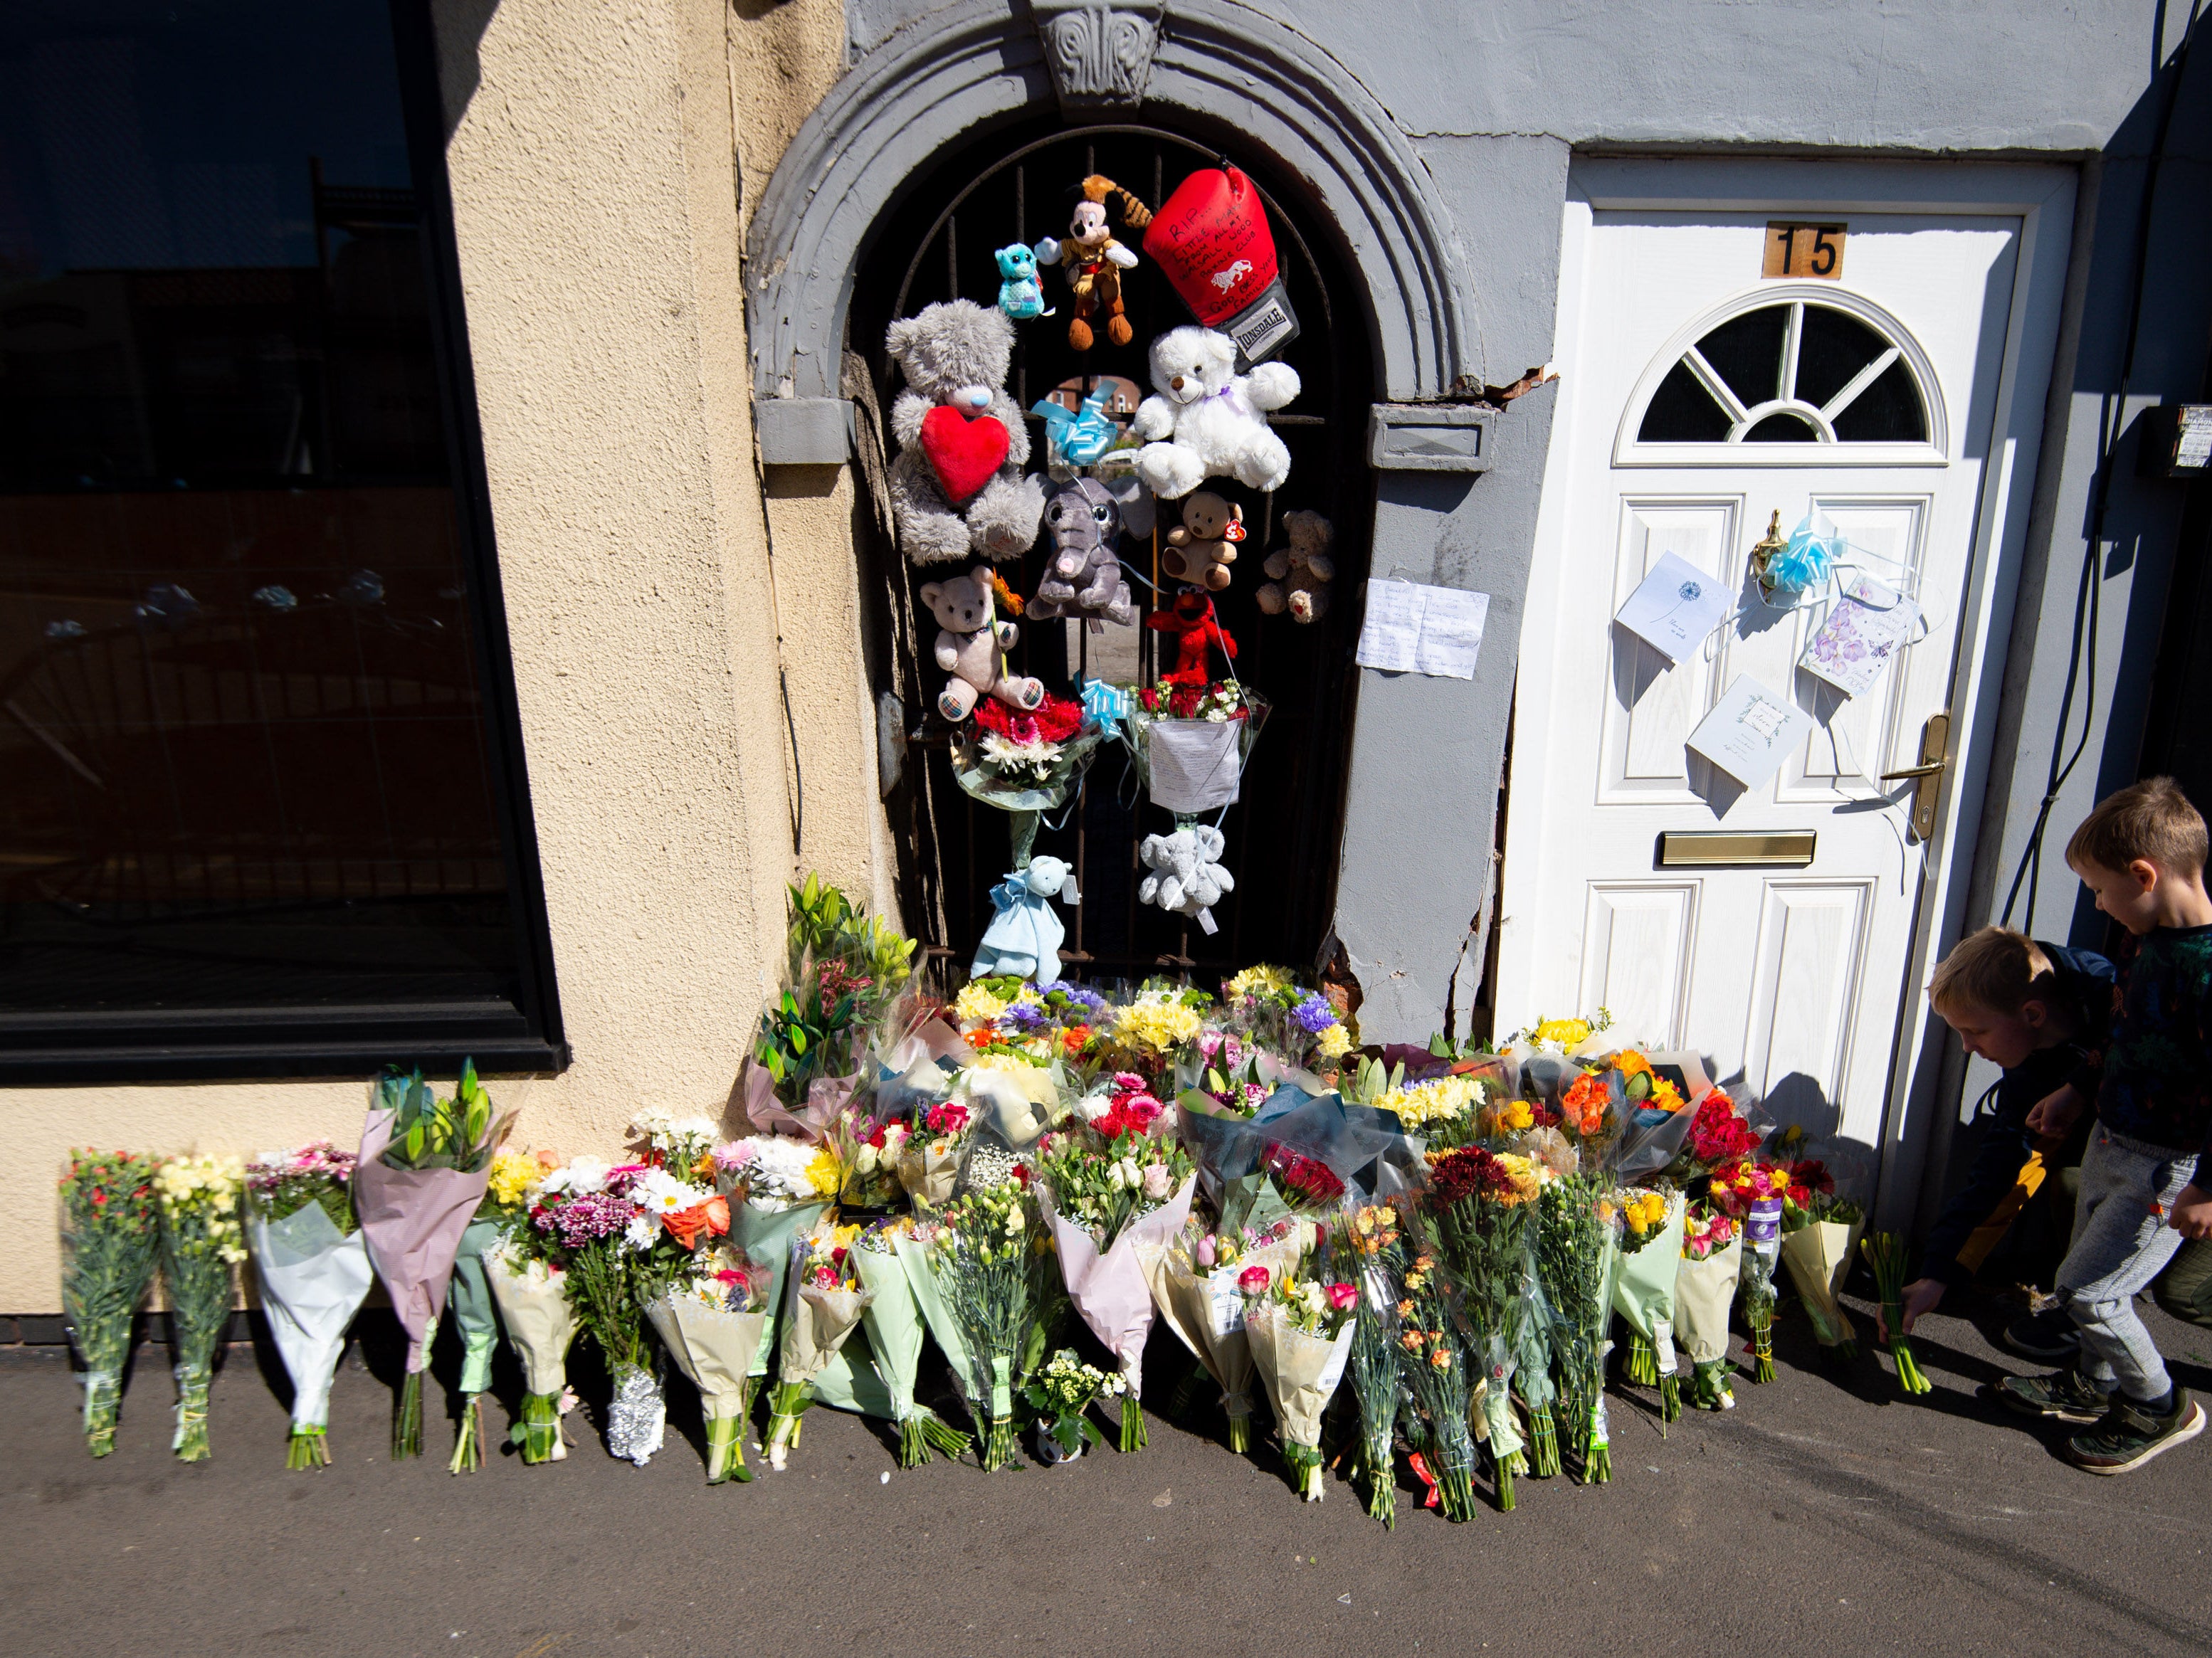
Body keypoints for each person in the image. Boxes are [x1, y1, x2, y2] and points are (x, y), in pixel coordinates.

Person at [1995, 776, 2212, 1473]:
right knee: (2081, 1269)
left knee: (2094, 1290)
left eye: (2098, 886)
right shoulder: (2147, 941)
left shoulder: (2206, 973)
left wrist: (2208, 1188)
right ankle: (2096, 1381)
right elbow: (2120, 1034)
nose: (2097, 902)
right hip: (2113, 1139)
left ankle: (2158, 1405)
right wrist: (2076, 1090)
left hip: (2166, 1167)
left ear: (2144, 875)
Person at [1886, 928, 2110, 1356]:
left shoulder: (2110, 993)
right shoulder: (2027, 1066)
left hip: (2176, 1156)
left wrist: (2082, 1087)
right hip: (2097, 1137)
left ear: (2033, 1014)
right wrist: (1937, 1274)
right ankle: (2081, 1307)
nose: (1968, 1047)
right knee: (2067, 1185)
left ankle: (2095, 1309)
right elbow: (1998, 1167)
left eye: (1977, 1032)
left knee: (2182, 1292)